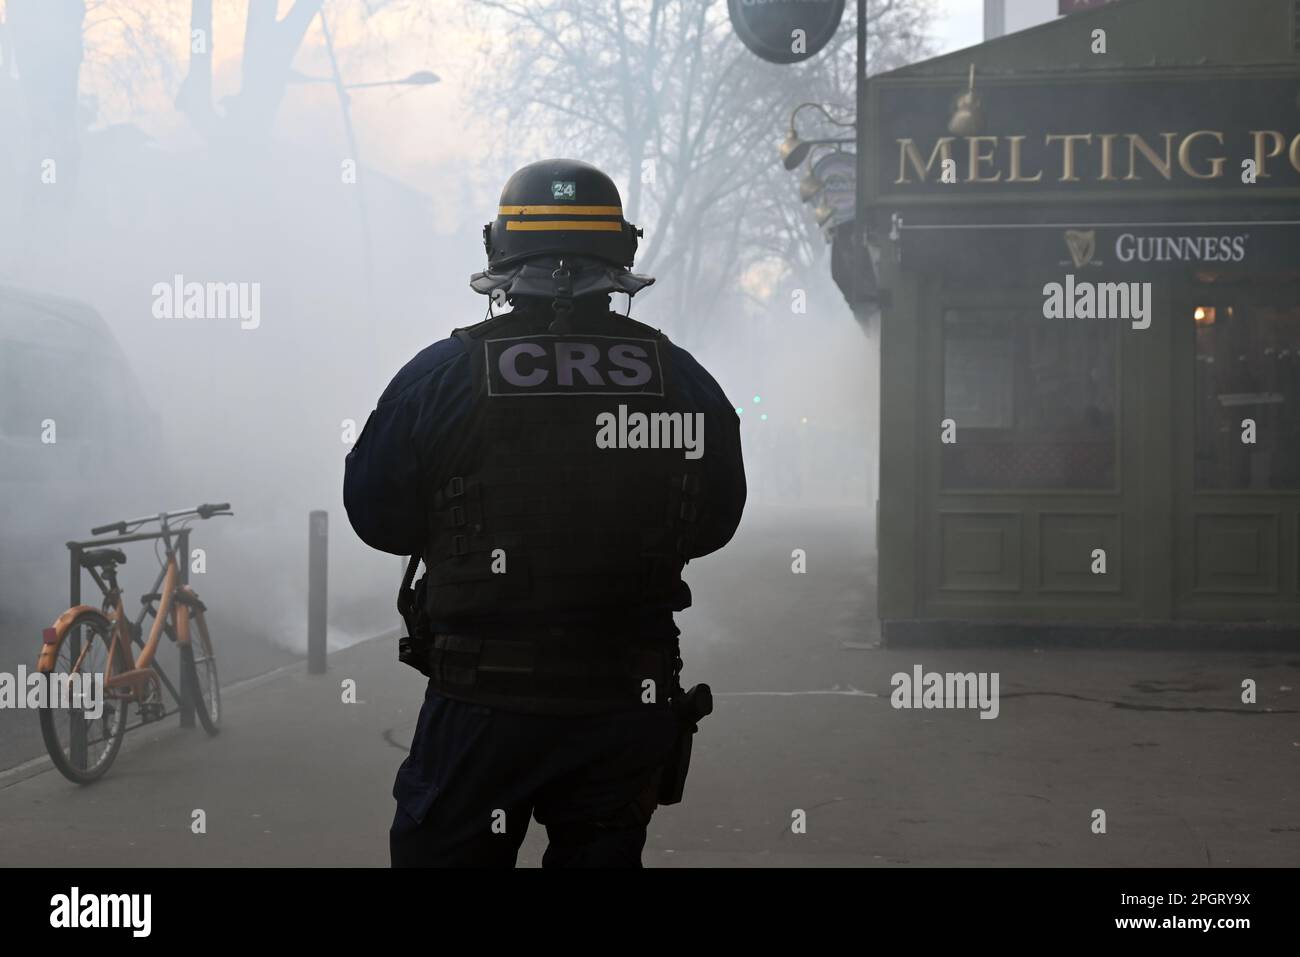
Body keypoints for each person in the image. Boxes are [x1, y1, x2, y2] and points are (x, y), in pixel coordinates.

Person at [343, 158, 746, 867]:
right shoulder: (681, 377)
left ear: (500, 252)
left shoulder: (440, 376)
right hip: (625, 696)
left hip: (481, 705)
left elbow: (377, 518)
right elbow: (714, 521)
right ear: (621, 253)